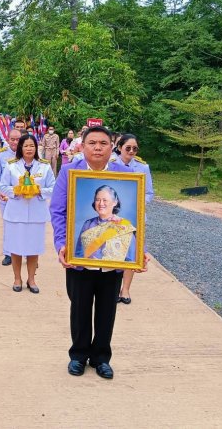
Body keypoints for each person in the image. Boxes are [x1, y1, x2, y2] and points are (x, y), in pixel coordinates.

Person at [50, 125, 149, 380]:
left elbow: (137, 216)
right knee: (80, 307)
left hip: (112, 263)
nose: (97, 147)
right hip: (79, 260)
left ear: (111, 147)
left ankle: (101, 358)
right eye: (92, 143)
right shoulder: (69, 172)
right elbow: (58, 211)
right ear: (82, 146)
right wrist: (62, 244)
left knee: (107, 310)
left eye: (103, 143)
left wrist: (140, 252)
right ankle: (79, 355)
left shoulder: (126, 174)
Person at [0, 134, 55, 294]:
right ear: (20, 148)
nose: (29, 149)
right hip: (16, 213)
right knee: (15, 247)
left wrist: (39, 191)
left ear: (36, 148)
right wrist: (16, 191)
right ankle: (17, 278)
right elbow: (2, 186)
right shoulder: (11, 166)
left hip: (36, 214)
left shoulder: (44, 167)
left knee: (33, 248)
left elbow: (53, 188)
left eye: (32, 146)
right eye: (26, 146)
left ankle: (32, 279)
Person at [116, 133, 154, 305]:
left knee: (131, 253)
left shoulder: (142, 167)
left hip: (135, 216)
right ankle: (115, 287)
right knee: (116, 251)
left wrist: (137, 203)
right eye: (128, 148)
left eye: (135, 148)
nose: (131, 151)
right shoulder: (111, 165)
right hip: (115, 216)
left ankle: (126, 289)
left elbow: (149, 193)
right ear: (119, 148)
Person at [0, 128, 22, 266]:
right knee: (8, 225)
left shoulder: (26, 154)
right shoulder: (1, 155)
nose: (15, 142)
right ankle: (8, 253)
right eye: (13, 139)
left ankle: (25, 252)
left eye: (18, 139)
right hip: (5, 197)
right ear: (8, 139)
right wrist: (0, 191)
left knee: (23, 225)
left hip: (23, 197)